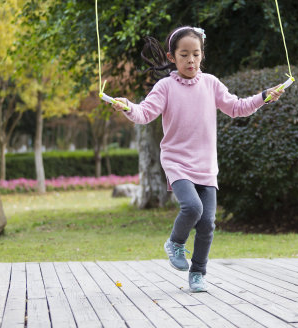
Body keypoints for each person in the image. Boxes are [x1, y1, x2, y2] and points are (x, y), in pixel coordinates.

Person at [111, 26, 285, 292]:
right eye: (184, 55)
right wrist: (127, 107)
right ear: (172, 57)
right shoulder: (165, 86)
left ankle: (198, 274)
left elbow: (236, 107)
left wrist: (263, 97)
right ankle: (175, 243)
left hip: (206, 165)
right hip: (177, 162)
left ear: (202, 55)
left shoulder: (211, 83)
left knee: (207, 224)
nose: (190, 60)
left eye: (196, 54)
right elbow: (144, 113)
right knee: (192, 208)